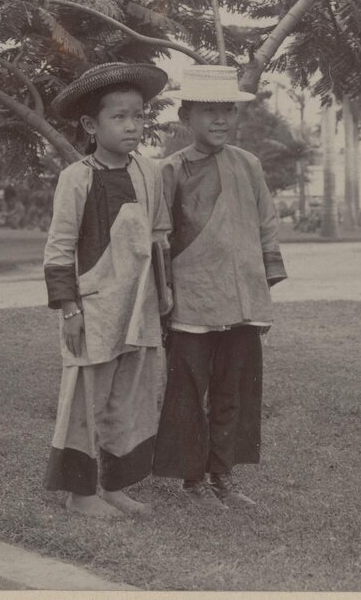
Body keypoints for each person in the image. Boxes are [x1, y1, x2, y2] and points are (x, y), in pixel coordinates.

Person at [152, 64, 287, 508]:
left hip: (243, 303)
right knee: (189, 390)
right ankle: (192, 481)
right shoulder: (170, 171)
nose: (220, 120)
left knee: (234, 390)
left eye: (227, 110)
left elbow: (267, 227)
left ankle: (223, 476)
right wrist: (165, 298)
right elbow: (159, 239)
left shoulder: (248, 165)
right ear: (185, 118)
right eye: (208, 110)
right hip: (192, 303)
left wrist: (260, 291)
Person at [42, 62, 171, 518]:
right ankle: (81, 493)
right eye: (119, 117)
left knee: (129, 398)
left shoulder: (149, 172)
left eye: (138, 115)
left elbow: (157, 238)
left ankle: (116, 484)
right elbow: (58, 251)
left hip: (140, 307)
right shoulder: (77, 178)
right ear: (90, 125)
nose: (132, 125)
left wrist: (163, 303)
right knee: (86, 398)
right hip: (95, 308)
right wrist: (69, 310)